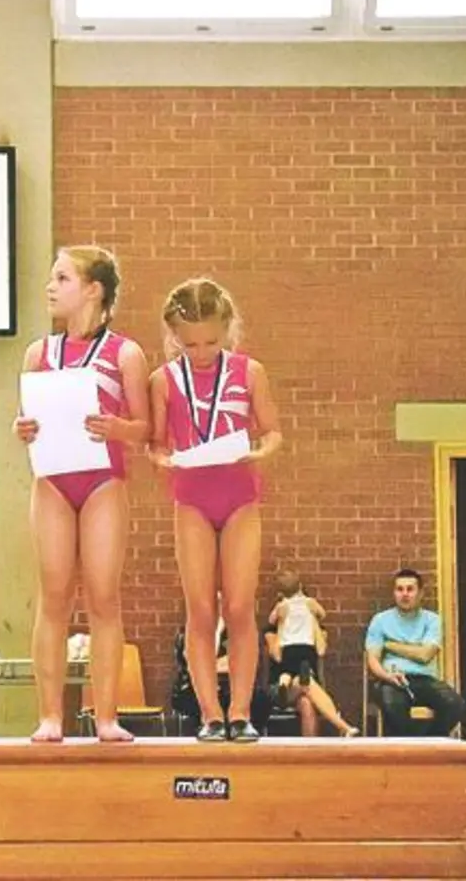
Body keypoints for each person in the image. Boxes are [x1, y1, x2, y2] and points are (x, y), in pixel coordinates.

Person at [14, 246, 150, 742]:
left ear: (93, 290)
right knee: (52, 595)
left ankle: (106, 717)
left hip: (102, 481)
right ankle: (50, 715)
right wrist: (22, 427)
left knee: (103, 598)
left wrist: (118, 426)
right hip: (52, 479)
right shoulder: (38, 353)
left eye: (62, 278)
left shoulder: (125, 353)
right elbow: (27, 420)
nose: (50, 287)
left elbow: (146, 429)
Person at [149, 277, 282, 742]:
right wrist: (162, 459)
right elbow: (157, 443)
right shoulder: (164, 380)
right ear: (173, 337)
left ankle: (241, 712)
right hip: (192, 500)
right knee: (201, 609)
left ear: (227, 331)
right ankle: (209, 714)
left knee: (241, 606)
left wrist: (260, 454)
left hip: (241, 496)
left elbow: (273, 432)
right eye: (189, 344)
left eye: (210, 341)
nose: (201, 351)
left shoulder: (250, 372)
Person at [365, 568, 466, 736]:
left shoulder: (432, 620)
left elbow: (425, 655)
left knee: (455, 704)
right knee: (392, 704)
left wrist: (390, 645)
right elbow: (373, 660)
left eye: (410, 589)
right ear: (394, 593)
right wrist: (387, 676)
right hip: (392, 680)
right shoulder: (380, 620)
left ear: (420, 593)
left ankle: (429, 742)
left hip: (425, 680)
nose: (405, 594)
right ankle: (412, 749)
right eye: (400, 589)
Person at [268, 576, 359, 737]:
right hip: (280, 688)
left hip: (305, 687)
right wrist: (282, 624)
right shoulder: (270, 632)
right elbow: (277, 657)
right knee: (306, 682)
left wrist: (312, 621)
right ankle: (343, 727)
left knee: (306, 701)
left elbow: (321, 650)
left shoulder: (313, 627)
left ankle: (307, 752)